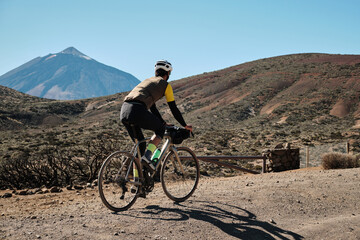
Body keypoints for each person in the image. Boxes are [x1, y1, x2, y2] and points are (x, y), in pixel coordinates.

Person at [120, 60, 192, 171]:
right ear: (167, 74)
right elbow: (173, 108)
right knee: (160, 130)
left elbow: (152, 107)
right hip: (137, 109)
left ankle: (134, 179)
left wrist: (162, 121)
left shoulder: (147, 82)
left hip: (124, 110)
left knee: (140, 146)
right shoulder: (165, 85)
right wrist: (184, 125)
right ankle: (148, 157)